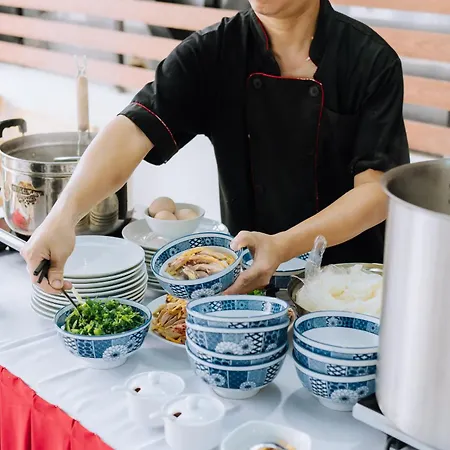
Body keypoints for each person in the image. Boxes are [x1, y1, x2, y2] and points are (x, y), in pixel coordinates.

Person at [21, 0, 409, 295]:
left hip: (348, 291)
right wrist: (62, 216)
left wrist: (283, 245)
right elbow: (133, 129)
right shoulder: (215, 52)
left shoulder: (369, 60)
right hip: (247, 283)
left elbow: (377, 192)